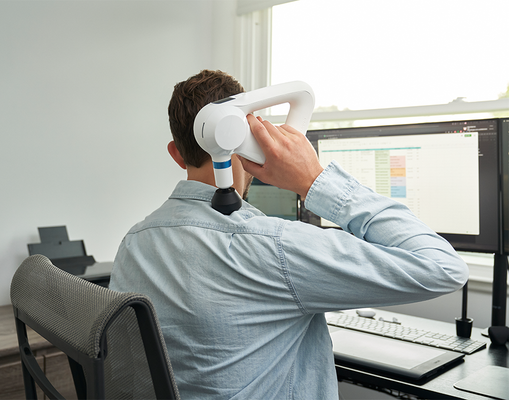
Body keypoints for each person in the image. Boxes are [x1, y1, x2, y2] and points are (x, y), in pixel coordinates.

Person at [109, 70, 468, 399]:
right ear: (244, 137)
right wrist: (313, 179)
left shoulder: (133, 243)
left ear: (176, 154)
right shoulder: (274, 247)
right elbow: (442, 267)